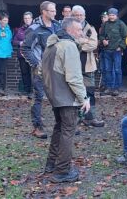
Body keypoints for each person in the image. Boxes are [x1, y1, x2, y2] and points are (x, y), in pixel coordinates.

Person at [41, 17, 91, 183]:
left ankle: (51, 164)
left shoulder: (51, 45)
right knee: (68, 132)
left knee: (59, 129)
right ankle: (62, 171)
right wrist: (83, 97)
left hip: (55, 96)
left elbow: (42, 72)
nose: (80, 33)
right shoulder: (68, 46)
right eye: (78, 30)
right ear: (69, 30)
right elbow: (74, 77)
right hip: (67, 98)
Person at [21, 1, 62, 139]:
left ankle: (62, 125)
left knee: (59, 97)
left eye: (55, 10)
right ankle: (37, 127)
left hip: (57, 69)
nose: (55, 13)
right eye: (52, 11)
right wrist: (36, 64)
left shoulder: (57, 26)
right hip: (41, 70)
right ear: (44, 12)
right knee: (38, 97)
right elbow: (25, 48)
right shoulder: (34, 28)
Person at [71, 5, 105, 127]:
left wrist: (78, 43)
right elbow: (69, 42)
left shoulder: (90, 29)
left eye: (81, 15)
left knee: (89, 92)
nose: (79, 17)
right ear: (72, 16)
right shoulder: (68, 28)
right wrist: (83, 41)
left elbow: (93, 45)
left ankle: (89, 117)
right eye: (76, 15)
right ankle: (74, 118)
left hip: (88, 66)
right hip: (72, 66)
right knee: (73, 93)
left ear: (84, 16)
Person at [98, 8, 127, 96]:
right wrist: (103, 40)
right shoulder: (105, 25)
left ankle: (116, 88)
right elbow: (101, 35)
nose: (111, 17)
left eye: (113, 15)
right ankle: (108, 87)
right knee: (107, 69)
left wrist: (121, 47)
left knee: (117, 69)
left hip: (117, 51)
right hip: (107, 50)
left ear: (116, 15)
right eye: (110, 15)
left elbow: (125, 37)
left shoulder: (121, 24)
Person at [12, 12, 34, 99]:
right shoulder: (20, 29)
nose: (27, 20)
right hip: (22, 55)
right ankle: (27, 90)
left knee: (33, 73)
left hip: (32, 55)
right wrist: (19, 42)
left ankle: (33, 91)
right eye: (25, 18)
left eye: (28, 18)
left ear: (32, 18)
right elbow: (14, 41)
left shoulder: (35, 28)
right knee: (24, 73)